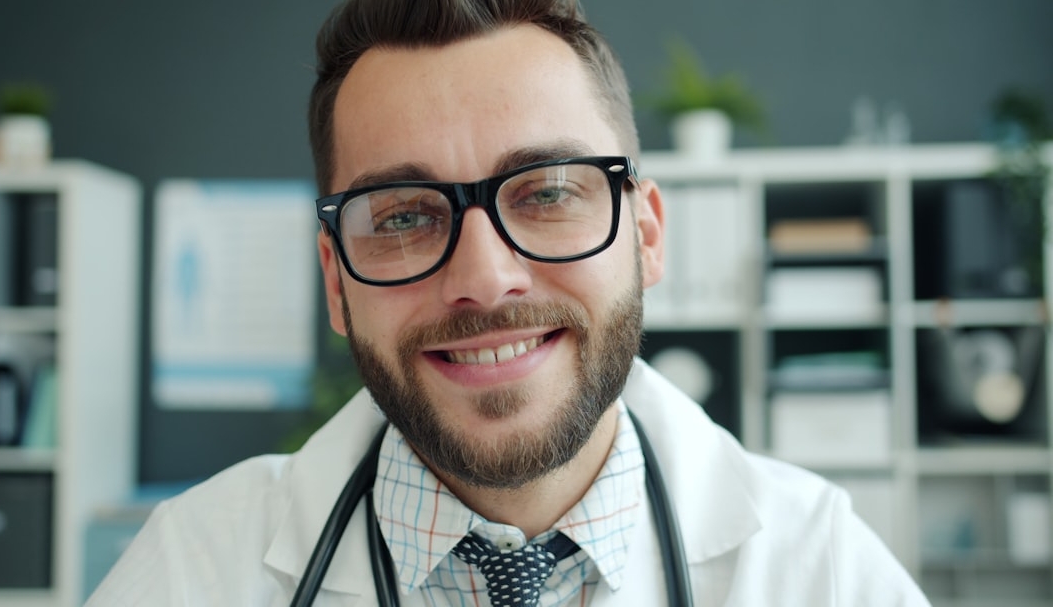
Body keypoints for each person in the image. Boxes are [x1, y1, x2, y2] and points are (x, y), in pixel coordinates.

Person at [88, 0, 930, 605]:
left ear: (646, 235)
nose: (485, 279)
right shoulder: (191, 570)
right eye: (405, 216)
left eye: (549, 192)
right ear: (336, 281)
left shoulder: (820, 567)